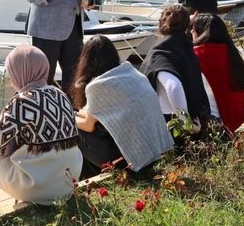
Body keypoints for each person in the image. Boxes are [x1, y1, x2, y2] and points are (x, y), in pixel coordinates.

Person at [0, 45, 82, 205]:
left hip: (37, 187)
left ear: (20, 72)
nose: (10, 80)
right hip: (68, 183)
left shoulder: (23, 101)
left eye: (11, 73)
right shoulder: (60, 94)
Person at [71, 35, 173, 179]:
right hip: (152, 151)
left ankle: (83, 178)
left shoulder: (99, 85)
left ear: (86, 60)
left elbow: (88, 125)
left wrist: (67, 118)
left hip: (127, 160)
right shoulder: (132, 74)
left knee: (71, 130)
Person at [140, 5, 212, 137]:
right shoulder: (186, 46)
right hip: (193, 116)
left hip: (170, 122)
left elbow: (173, 87)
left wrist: (186, 124)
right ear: (186, 26)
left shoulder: (159, 52)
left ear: (161, 25)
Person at [190, 13, 244, 134]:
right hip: (235, 118)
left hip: (215, 121)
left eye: (193, 28)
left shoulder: (198, 54)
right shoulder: (231, 51)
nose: (191, 31)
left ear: (200, 32)